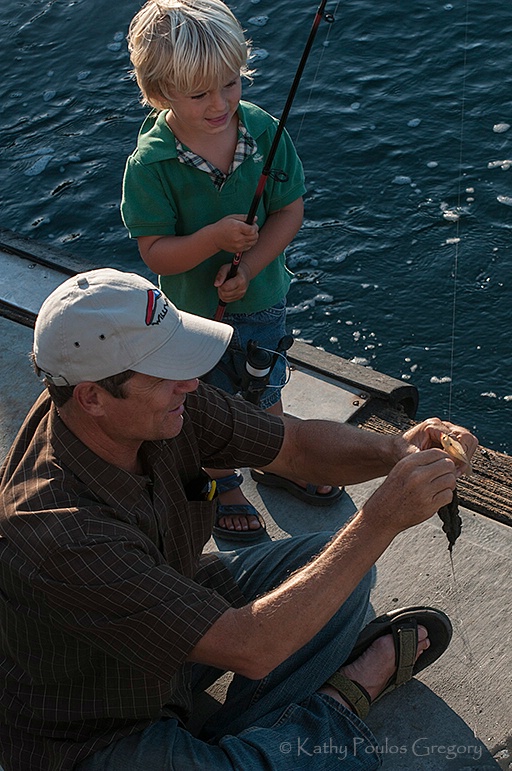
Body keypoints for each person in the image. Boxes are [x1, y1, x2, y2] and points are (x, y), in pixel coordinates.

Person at [0, 268, 477, 771]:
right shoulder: (57, 529)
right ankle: (340, 703)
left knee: (335, 566)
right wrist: (381, 519)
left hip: (164, 623)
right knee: (336, 574)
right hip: (91, 725)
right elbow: (252, 648)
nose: (190, 380)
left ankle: (254, 741)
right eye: (165, 371)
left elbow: (292, 445)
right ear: (92, 397)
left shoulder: (157, 404)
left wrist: (394, 451)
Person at [120, 0, 342, 542]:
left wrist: (252, 263)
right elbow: (155, 253)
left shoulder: (264, 131)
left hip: (263, 301)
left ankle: (275, 458)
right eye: (199, 94)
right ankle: (223, 480)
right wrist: (211, 240)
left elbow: (290, 210)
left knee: (267, 388)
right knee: (204, 399)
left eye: (231, 84)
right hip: (193, 318)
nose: (220, 103)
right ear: (160, 91)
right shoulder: (149, 165)